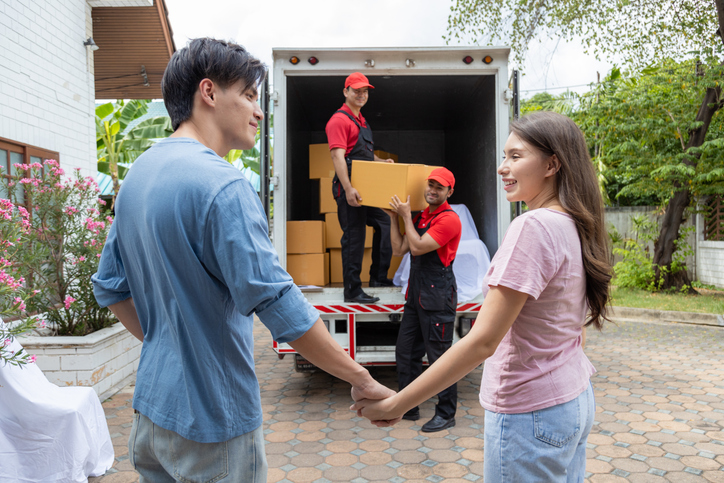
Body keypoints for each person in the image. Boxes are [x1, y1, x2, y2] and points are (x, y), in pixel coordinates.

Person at [91, 38, 394, 483]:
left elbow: (111, 287)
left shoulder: (138, 175)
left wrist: (171, 344)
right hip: (214, 421)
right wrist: (361, 378)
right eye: (249, 96)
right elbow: (280, 306)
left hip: (152, 413)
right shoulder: (224, 186)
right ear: (209, 93)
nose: (259, 111)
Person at [353, 111, 612, 482]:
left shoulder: (533, 227)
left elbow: (482, 342)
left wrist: (398, 402)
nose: (502, 168)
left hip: (530, 410)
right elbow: (575, 329)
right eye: (504, 156)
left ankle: (443, 410)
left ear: (552, 164)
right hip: (571, 397)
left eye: (516, 156)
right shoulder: (575, 223)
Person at [386, 167, 462, 432]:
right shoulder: (421, 216)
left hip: (438, 295)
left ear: (449, 191)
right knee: (406, 352)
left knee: (440, 358)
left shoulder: (449, 219)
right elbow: (400, 249)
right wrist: (394, 219)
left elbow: (418, 247)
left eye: (439, 187)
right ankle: (408, 405)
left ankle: (446, 413)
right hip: (417, 294)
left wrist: (406, 216)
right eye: (430, 185)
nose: (432, 190)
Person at [326, 72, 395, 304]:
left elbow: (363, 154)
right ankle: (352, 291)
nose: (361, 95)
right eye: (356, 90)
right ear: (346, 92)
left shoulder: (361, 121)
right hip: (350, 190)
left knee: (385, 222)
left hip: (366, 190)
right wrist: (347, 188)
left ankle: (378, 277)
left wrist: (380, 162)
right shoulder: (339, 120)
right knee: (354, 238)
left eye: (364, 91)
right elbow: (338, 157)